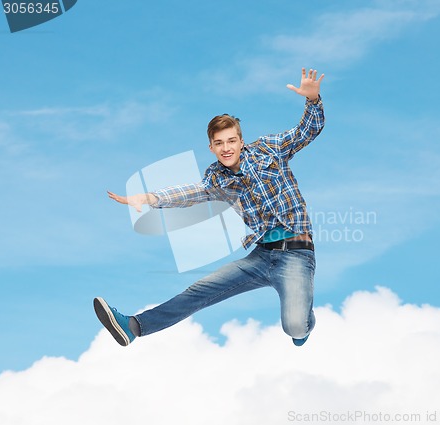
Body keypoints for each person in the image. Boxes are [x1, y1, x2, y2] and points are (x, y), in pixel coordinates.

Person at [94, 68, 325, 347]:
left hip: (297, 255)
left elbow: (306, 132)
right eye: (219, 144)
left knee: (295, 327)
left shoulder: (268, 149)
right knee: (199, 291)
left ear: (241, 141)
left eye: (231, 141)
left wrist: (312, 100)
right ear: (211, 147)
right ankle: (133, 326)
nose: (226, 148)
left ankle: (304, 321)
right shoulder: (218, 176)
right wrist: (151, 198)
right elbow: (194, 193)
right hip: (262, 255)